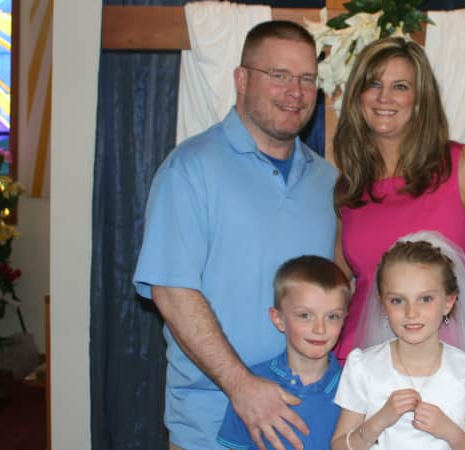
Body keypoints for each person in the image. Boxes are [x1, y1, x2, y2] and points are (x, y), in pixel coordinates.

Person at [133, 21, 338, 450]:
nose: (294, 92)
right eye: (278, 76)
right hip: (213, 427)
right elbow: (172, 293)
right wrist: (241, 386)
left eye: (306, 80)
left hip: (312, 426)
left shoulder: (328, 181)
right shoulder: (190, 170)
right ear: (242, 80)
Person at [332, 37, 465, 361]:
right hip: (361, 366)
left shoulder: (461, 166)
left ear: (420, 100)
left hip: (444, 366)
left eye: (400, 86)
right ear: (357, 96)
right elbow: (337, 286)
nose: (384, 97)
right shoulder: (350, 185)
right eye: (374, 84)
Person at [331, 231, 465, 450]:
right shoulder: (363, 367)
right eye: (397, 300)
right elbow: (339, 446)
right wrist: (378, 422)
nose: (411, 312)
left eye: (425, 299)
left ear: (448, 302)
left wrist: (451, 433)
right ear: (382, 304)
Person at [217, 256, 350, 449]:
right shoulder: (251, 384)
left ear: (344, 319)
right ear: (278, 319)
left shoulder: (355, 384)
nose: (320, 329)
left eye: (332, 316)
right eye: (305, 315)